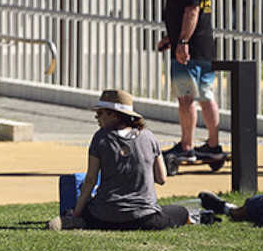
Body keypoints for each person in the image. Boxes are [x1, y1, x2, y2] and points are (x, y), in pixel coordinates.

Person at [50, 89, 193, 230]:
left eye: (100, 113)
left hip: (104, 217)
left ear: (115, 115)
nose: (96, 118)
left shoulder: (101, 138)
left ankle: (75, 221)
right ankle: (199, 216)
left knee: (89, 212)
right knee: (180, 211)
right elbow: (162, 179)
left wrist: (76, 213)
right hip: (144, 218)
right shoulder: (149, 137)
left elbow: (90, 181)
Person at [154, 0, 222, 164]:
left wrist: (182, 42)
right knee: (205, 96)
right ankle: (213, 146)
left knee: (186, 98)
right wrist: (171, 38)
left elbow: (192, 11)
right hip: (201, 47)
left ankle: (186, 146)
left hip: (190, 50)